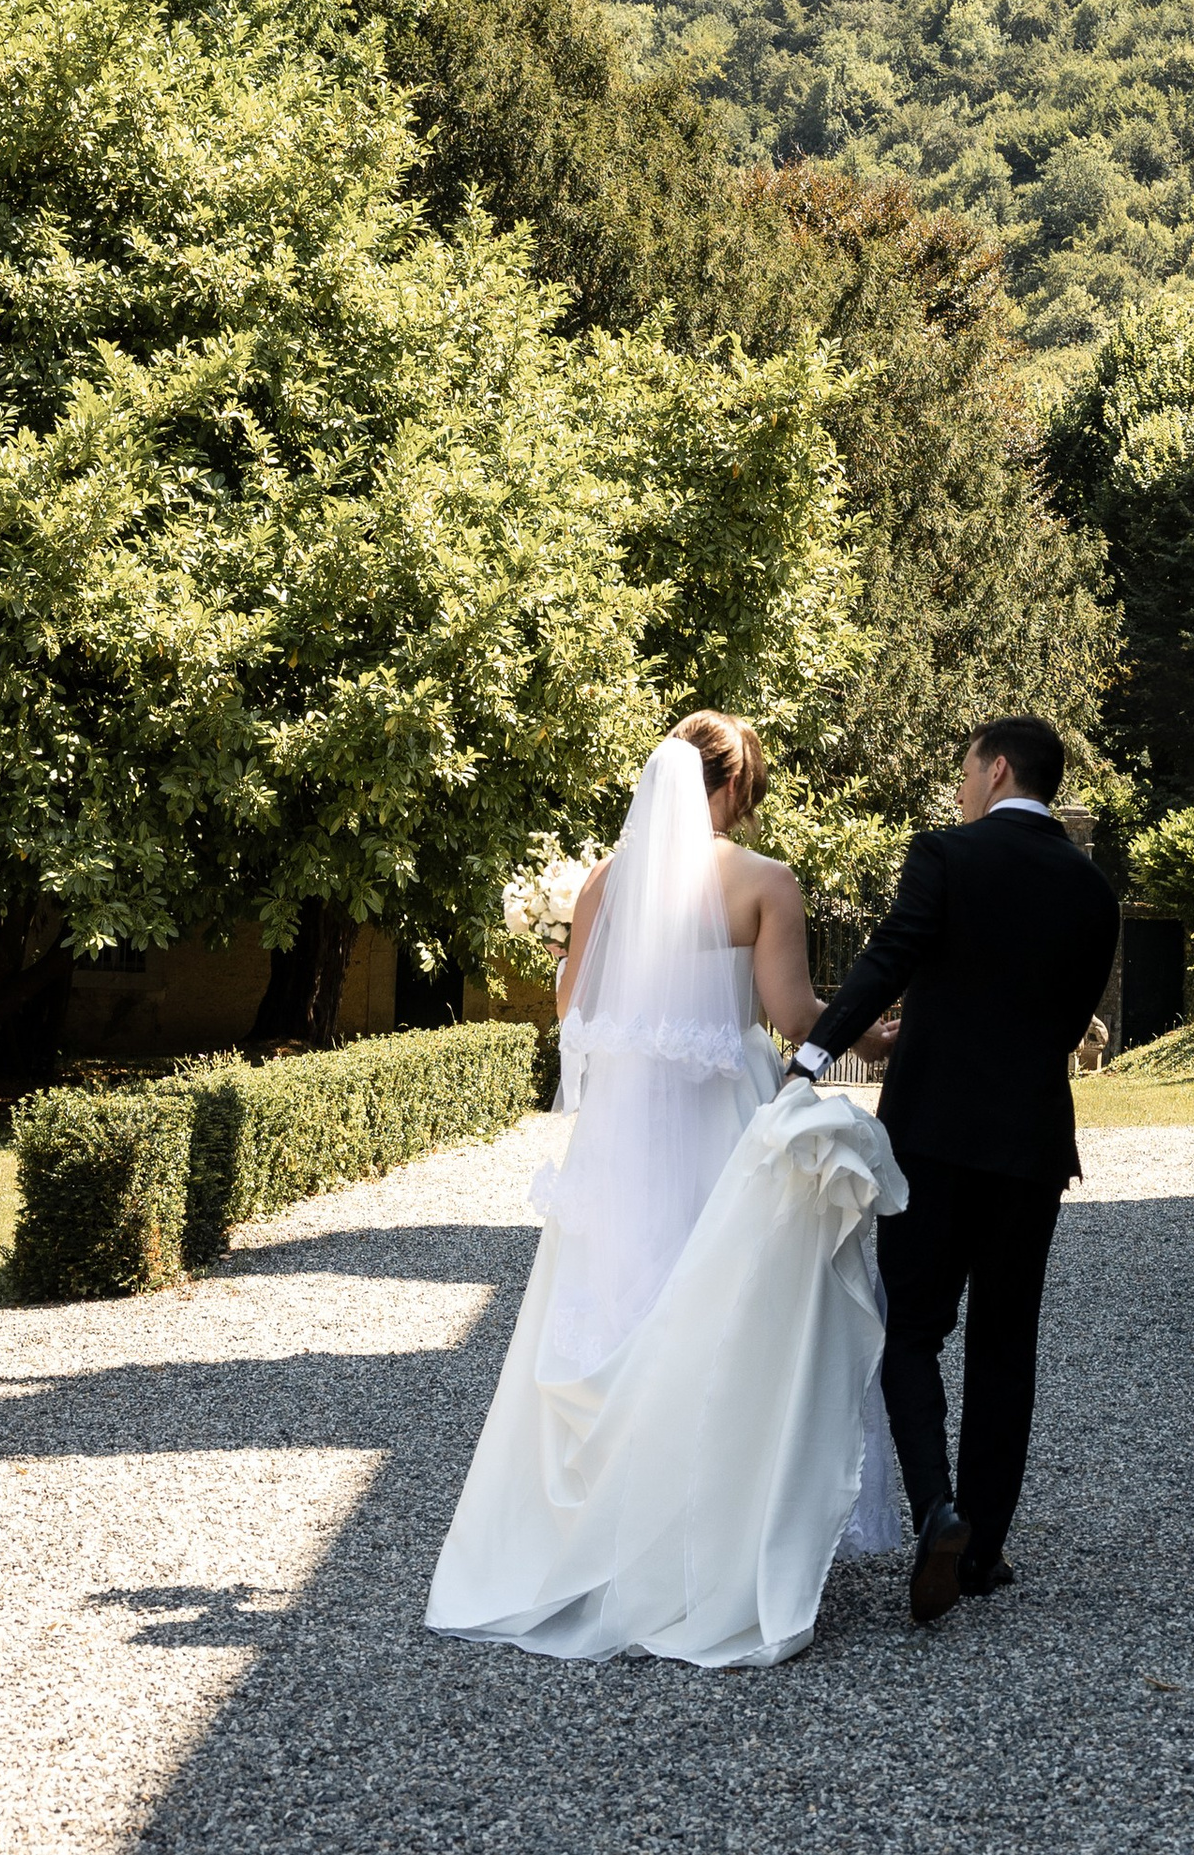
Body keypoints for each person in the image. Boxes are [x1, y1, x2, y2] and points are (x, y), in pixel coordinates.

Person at [424, 714, 908, 1671]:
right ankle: (708, 1542)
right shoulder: (764, 882)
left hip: (625, 1141)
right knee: (731, 1317)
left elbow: (574, 1008)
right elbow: (794, 1015)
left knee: (613, 1313)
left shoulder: (610, 879)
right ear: (734, 791)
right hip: (722, 1124)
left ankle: (594, 1547)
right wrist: (877, 1040)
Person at [787, 714, 1119, 1627]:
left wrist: (814, 1057)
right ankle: (983, 1553)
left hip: (931, 1138)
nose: (961, 787)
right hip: (1032, 1146)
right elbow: (1068, 1019)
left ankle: (938, 1507)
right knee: (1006, 1343)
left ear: (997, 768)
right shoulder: (1093, 889)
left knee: (912, 1330)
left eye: (966, 770)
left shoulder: (946, 856)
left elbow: (888, 957)